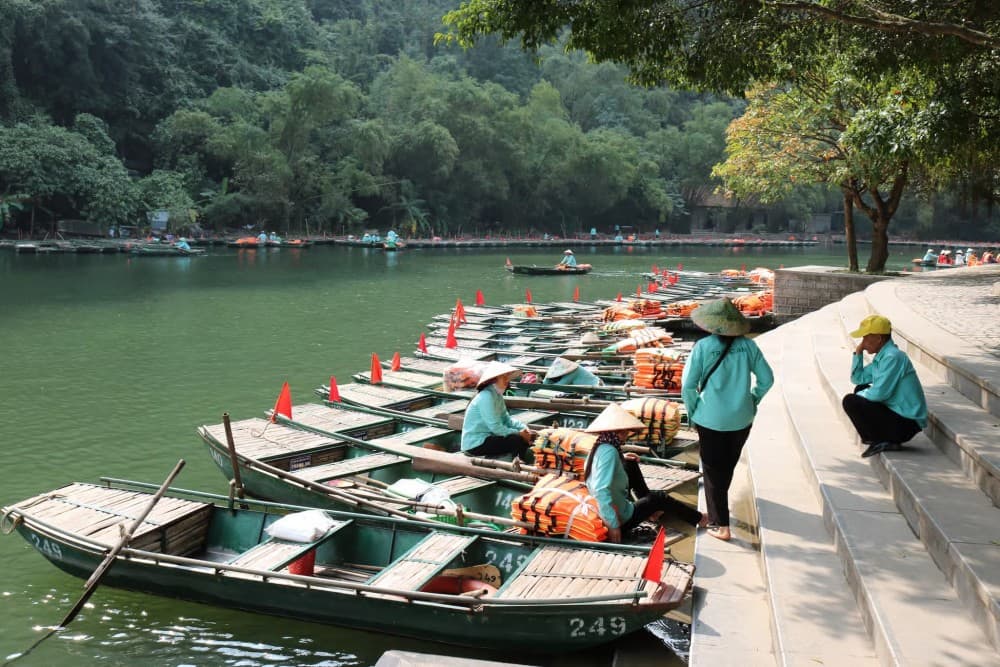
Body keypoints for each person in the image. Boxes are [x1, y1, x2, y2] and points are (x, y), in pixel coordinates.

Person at [681, 298, 773, 541]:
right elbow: (767, 379)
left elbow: (688, 386)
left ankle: (720, 524)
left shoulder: (702, 347)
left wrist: (693, 411)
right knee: (727, 466)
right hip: (741, 417)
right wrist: (753, 400)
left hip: (710, 418)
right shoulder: (748, 347)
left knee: (712, 470)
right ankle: (718, 512)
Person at [584, 403, 705, 543]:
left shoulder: (599, 446)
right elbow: (600, 490)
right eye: (626, 431)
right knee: (659, 497)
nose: (628, 434)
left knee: (630, 464)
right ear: (619, 432)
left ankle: (651, 512)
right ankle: (700, 519)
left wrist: (622, 458)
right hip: (619, 518)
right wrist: (613, 525)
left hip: (612, 508)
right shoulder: (610, 452)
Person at [842, 315, 927, 458]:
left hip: (906, 423)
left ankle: (880, 439)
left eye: (866, 338)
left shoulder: (893, 357)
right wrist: (858, 352)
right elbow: (858, 378)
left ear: (878, 339)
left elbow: (879, 394)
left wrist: (858, 397)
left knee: (851, 400)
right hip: (897, 415)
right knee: (860, 389)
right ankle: (875, 438)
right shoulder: (883, 356)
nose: (863, 342)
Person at [461, 362, 533, 461]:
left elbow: (507, 420)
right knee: (516, 440)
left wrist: (524, 428)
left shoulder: (497, 396)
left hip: (489, 437)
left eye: (507, 377)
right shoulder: (486, 397)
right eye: (504, 377)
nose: (507, 380)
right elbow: (496, 427)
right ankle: (518, 465)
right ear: (494, 380)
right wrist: (519, 433)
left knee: (523, 438)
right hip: (475, 443)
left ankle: (518, 460)